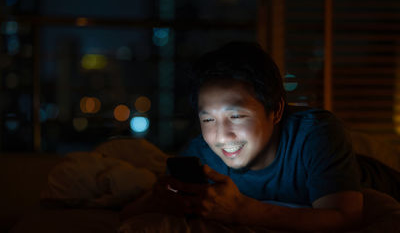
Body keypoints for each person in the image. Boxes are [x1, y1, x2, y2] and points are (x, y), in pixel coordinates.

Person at [121, 41, 369, 231]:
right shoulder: (202, 153)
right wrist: (159, 199)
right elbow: (127, 214)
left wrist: (242, 212)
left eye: (237, 116)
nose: (221, 136)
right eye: (208, 119)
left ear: (276, 110)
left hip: (365, 171)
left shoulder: (316, 134)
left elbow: (346, 216)